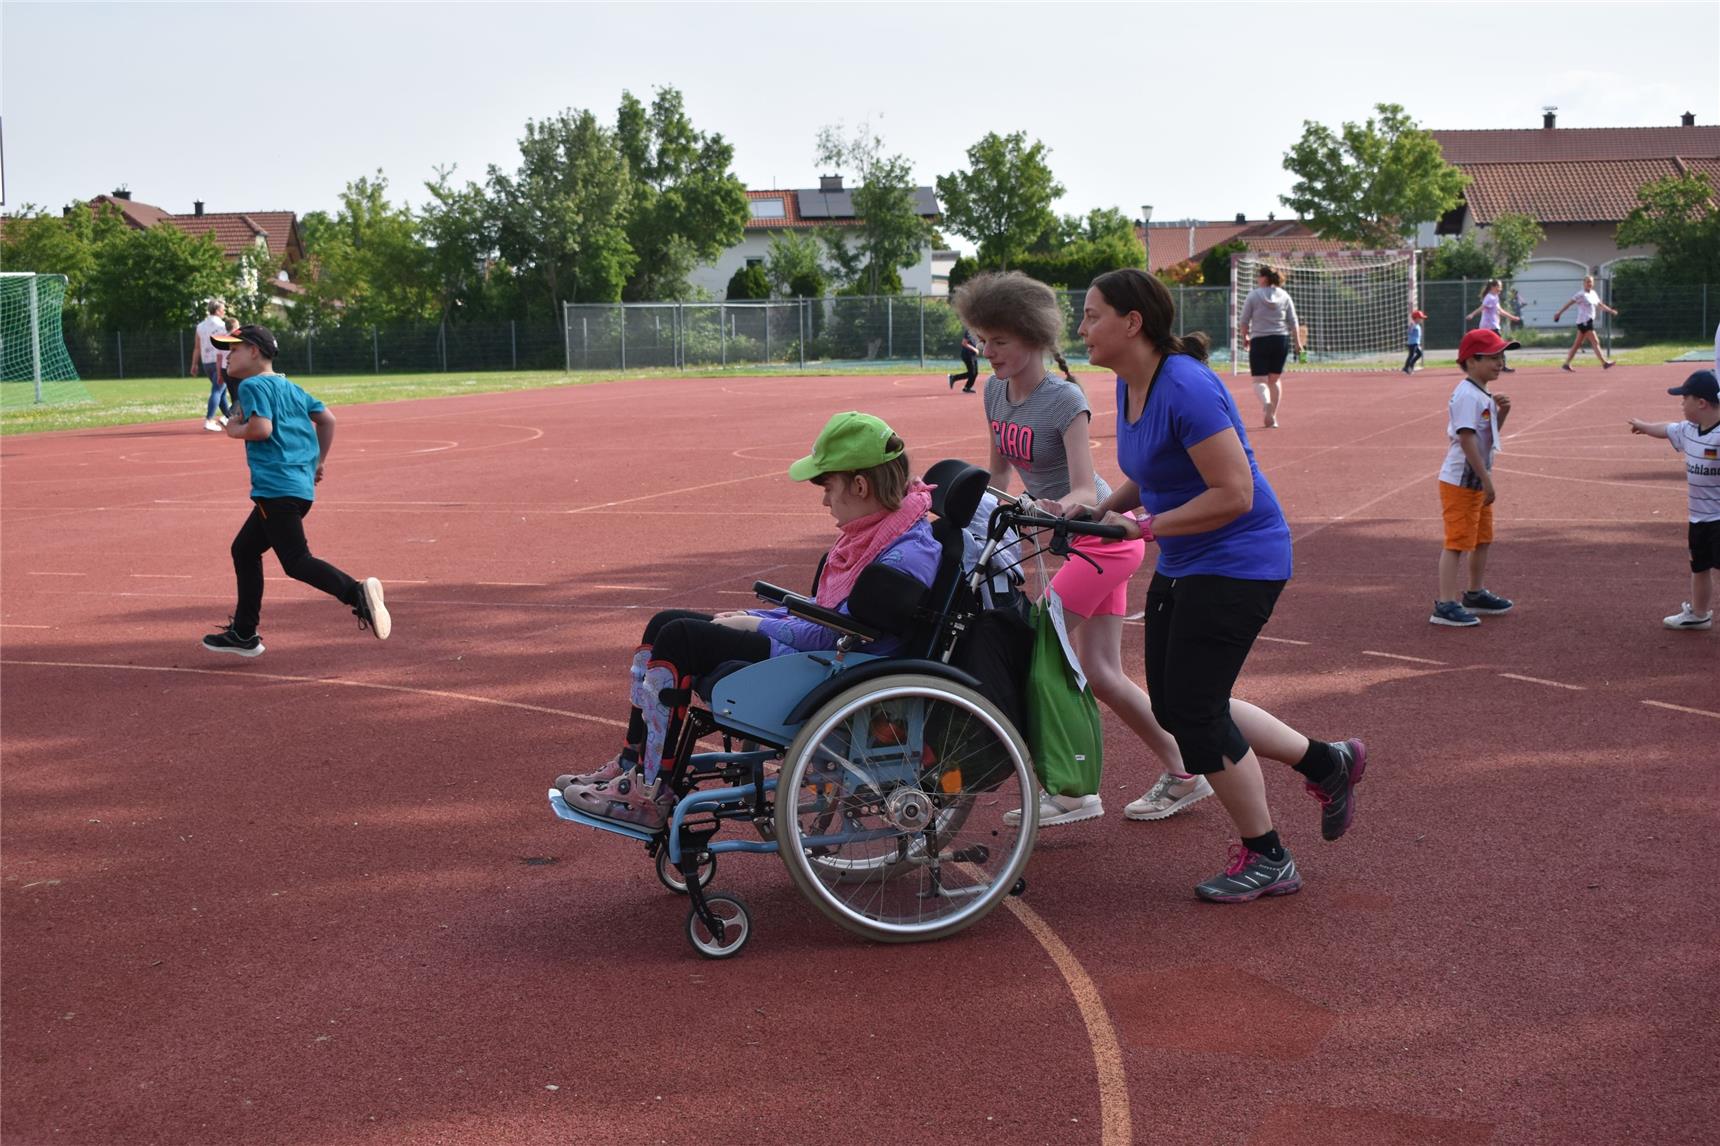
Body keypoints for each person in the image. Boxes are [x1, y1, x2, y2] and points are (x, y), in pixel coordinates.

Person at [1075, 268, 1366, 902]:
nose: (1082, 326)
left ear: (1133, 322)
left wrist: (1142, 527)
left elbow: (1234, 494)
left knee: (1195, 711)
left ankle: (1269, 856)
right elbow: (1151, 471)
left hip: (1241, 560)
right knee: (1184, 703)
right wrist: (1104, 510)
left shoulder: (1186, 387)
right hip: (1187, 559)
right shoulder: (1130, 385)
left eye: (1094, 314)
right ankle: (1326, 762)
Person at [555, 412, 941, 830]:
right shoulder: (878, 534)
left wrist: (759, 626)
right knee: (665, 622)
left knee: (681, 637)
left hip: (838, 669)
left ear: (861, 485)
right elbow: (827, 613)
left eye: (829, 487)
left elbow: (841, 631)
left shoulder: (904, 556)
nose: (825, 501)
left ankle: (651, 792)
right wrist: (755, 617)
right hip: (826, 653)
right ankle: (632, 765)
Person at [952, 271, 1199, 827]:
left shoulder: (1063, 399)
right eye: (982, 340)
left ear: (1034, 338)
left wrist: (1056, 509)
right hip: (1073, 545)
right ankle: (1185, 770)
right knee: (1102, 672)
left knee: (1044, 643)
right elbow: (998, 475)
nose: (987, 352)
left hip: (1103, 540)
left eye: (1000, 341)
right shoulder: (993, 391)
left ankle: (1072, 791)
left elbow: (1088, 489)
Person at [202, 325, 391, 658]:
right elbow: (328, 419)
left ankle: (356, 592)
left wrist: (233, 429)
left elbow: (261, 429)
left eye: (234, 349)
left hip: (275, 490)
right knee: (244, 550)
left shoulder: (252, 385)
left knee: (296, 561)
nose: (227, 356)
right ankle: (244, 632)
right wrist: (317, 462)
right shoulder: (292, 388)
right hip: (297, 489)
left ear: (255, 352)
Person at [1429, 329, 1517, 627]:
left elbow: (1486, 437)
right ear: (1471, 360)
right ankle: (1445, 603)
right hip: (1462, 481)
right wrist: (1486, 479)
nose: (1499, 362)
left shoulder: (1483, 394)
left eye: (1501, 356)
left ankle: (1475, 592)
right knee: (1457, 542)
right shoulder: (1468, 395)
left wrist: (1501, 412)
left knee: (1482, 539)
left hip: (1477, 479)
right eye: (1492, 357)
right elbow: (1467, 440)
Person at [1627, 369, 1720, 632]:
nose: (1681, 404)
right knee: (1699, 566)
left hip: (1719, 518)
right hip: (1698, 517)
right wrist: (1644, 427)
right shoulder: (1689, 431)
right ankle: (1699, 614)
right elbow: (1666, 429)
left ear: (1701, 402)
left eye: (1684, 398)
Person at [1237, 266, 1302, 429]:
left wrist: (1244, 336)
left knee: (1259, 380)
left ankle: (1266, 403)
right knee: (1274, 380)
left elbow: (1244, 320)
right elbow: (1293, 321)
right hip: (1281, 340)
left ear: (1264, 278)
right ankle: (1272, 417)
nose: (1257, 279)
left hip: (1260, 340)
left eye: (1258, 276)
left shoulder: (1253, 295)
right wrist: (1298, 343)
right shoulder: (1284, 295)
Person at [1554, 276, 1619, 372]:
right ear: (1583, 283)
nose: (1590, 284)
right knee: (1595, 341)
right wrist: (1559, 313)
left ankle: (1566, 364)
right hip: (1584, 322)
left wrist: (1610, 311)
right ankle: (1604, 363)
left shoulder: (1593, 293)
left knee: (1577, 344)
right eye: (1588, 282)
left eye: (1591, 282)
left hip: (1587, 321)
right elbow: (1569, 304)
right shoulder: (1580, 294)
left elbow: (1600, 304)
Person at [192, 299, 232, 431]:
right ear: (217, 310)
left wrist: (194, 364)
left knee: (220, 391)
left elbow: (197, 347)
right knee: (217, 390)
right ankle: (209, 420)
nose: (224, 311)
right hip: (220, 360)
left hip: (206, 362)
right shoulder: (223, 326)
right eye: (223, 309)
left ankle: (229, 418)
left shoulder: (200, 326)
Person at [1466, 280, 1520, 373]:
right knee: (1500, 346)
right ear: (1493, 287)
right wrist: (1472, 314)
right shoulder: (1489, 297)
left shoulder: (1495, 297)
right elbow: (1482, 307)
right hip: (1490, 327)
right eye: (1499, 286)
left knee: (1490, 347)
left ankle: (1478, 363)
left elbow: (1500, 311)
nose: (1501, 288)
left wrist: (1512, 317)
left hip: (1492, 326)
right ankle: (1501, 366)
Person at [948, 326, 981, 393]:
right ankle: (954, 378)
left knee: (975, 373)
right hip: (967, 354)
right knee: (972, 373)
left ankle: (966, 387)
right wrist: (974, 349)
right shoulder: (969, 331)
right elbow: (964, 343)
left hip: (972, 355)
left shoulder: (976, 331)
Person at [1403, 309, 1427, 375]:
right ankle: (1406, 367)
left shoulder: (1417, 325)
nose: (1422, 319)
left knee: (1419, 354)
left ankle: (1411, 365)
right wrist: (1411, 327)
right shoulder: (1413, 324)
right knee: (1411, 355)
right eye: (1420, 318)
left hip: (1416, 343)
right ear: (1416, 318)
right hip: (1412, 343)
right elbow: (1409, 332)